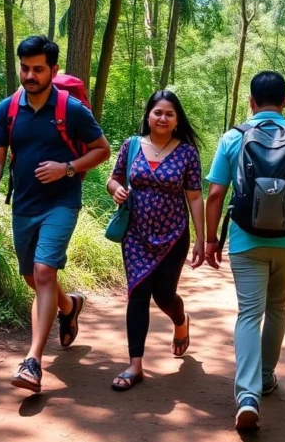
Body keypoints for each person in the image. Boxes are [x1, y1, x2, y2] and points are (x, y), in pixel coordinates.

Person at [0, 35, 111, 394]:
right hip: (24, 205)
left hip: (62, 203)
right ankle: (70, 307)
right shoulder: (7, 109)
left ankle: (32, 361)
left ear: (53, 69)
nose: (30, 75)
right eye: (25, 68)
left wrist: (67, 168)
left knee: (43, 271)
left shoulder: (72, 110)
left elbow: (102, 150)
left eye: (38, 69)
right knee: (33, 279)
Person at [204, 70, 285, 432]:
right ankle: (265, 376)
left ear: (250, 102)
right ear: (284, 102)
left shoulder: (232, 138)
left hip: (245, 239)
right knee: (277, 307)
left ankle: (247, 395)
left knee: (249, 313)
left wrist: (209, 239)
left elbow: (215, 194)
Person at [105, 91, 206, 391]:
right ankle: (135, 365)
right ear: (148, 115)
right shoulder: (131, 145)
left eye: (169, 114)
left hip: (174, 234)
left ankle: (181, 321)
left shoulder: (187, 153)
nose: (162, 118)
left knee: (163, 296)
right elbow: (114, 178)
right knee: (137, 293)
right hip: (135, 233)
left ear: (177, 120)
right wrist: (115, 190)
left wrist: (202, 239)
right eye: (157, 112)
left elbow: (195, 196)